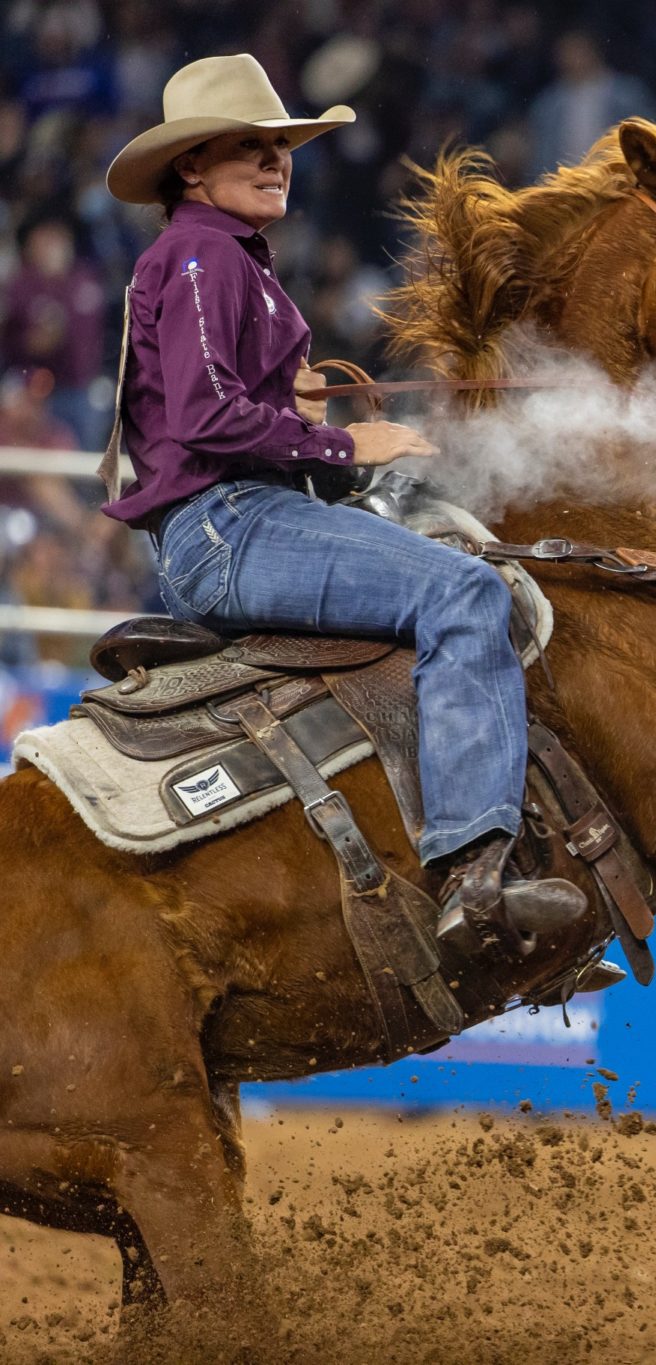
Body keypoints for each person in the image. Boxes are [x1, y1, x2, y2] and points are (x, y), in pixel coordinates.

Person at [101, 54, 583, 956]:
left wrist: (296, 416)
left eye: (280, 146)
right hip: (231, 526)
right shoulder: (204, 251)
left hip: (236, 518)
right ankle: (476, 872)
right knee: (465, 594)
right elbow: (206, 416)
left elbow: (210, 411)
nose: (274, 159)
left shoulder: (223, 257)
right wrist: (338, 442)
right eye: (248, 146)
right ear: (191, 169)